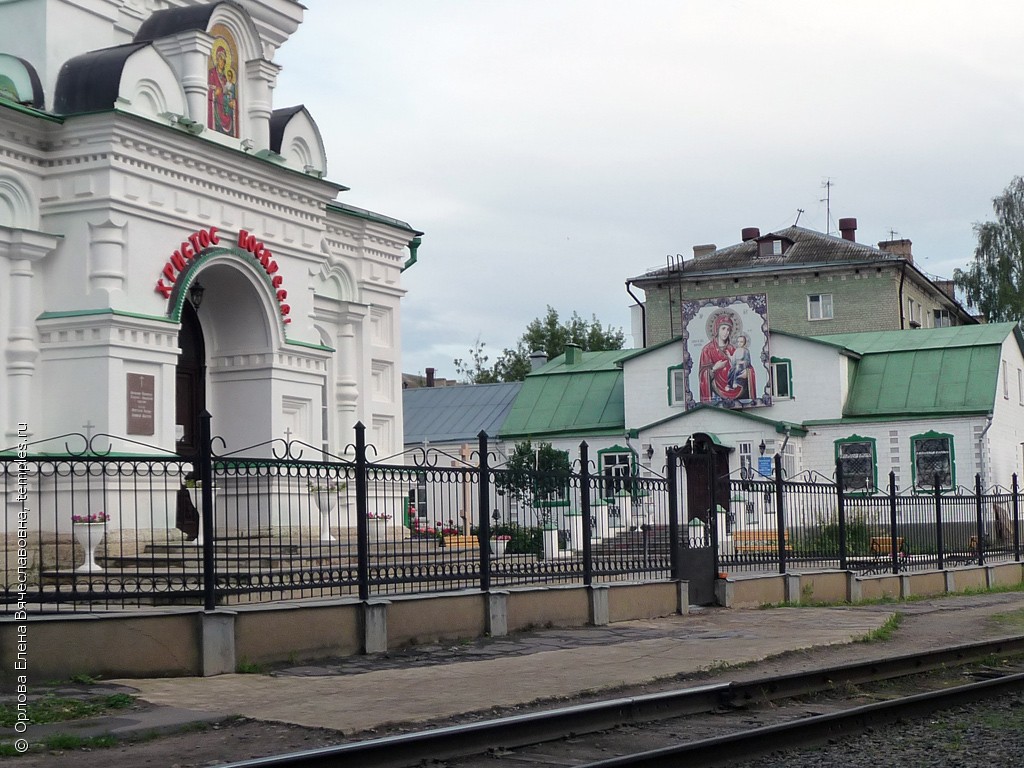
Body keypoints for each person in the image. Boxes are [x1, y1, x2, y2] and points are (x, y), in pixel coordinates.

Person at [698, 313, 753, 403]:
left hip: (736, 389)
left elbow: (746, 365)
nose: (726, 332)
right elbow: (702, 374)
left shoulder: (733, 349)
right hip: (717, 391)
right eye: (723, 328)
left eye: (728, 330)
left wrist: (747, 373)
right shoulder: (707, 350)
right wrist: (714, 368)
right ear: (717, 330)